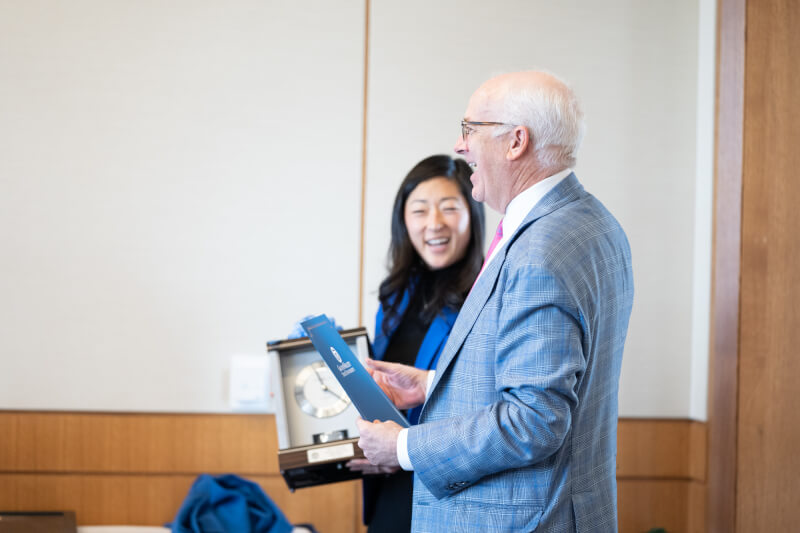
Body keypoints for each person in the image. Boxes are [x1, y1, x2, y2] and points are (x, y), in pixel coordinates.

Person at [355, 71, 635, 532]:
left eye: (470, 129)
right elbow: (548, 382)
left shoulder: (539, 251)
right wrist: (432, 384)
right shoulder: (594, 223)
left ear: (516, 141)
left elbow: (535, 419)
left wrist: (402, 447)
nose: (460, 145)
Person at [348, 154, 486, 533]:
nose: (434, 223)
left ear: (473, 215)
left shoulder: (485, 298)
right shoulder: (395, 296)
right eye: (420, 210)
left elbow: (486, 405)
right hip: (388, 489)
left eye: (449, 208)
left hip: (449, 496)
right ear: (403, 220)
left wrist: (401, 449)